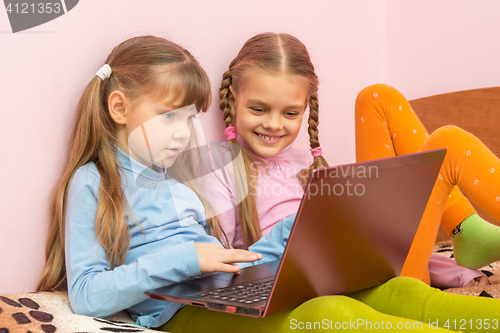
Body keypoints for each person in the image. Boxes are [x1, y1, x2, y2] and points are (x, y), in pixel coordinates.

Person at [37, 34, 497, 333]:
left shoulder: (178, 179)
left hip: (228, 287)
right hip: (179, 312)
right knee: (325, 316)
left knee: (402, 292)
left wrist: (302, 232)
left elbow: (236, 256)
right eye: (169, 117)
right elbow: (85, 294)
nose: (183, 132)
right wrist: (187, 258)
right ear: (119, 108)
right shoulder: (93, 181)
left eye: (189, 118)